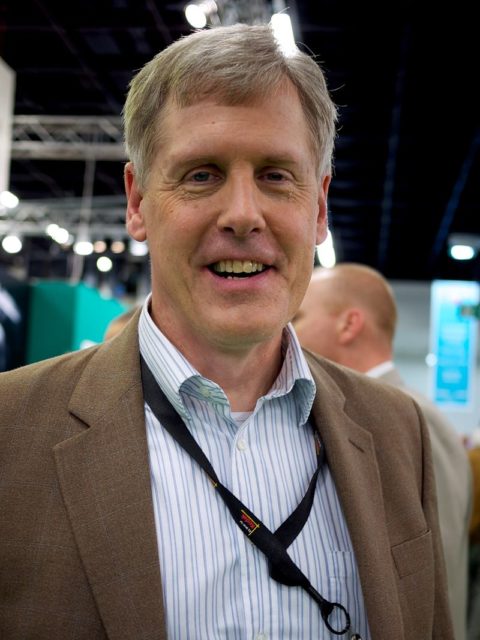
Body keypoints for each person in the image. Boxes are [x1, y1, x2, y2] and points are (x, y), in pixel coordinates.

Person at [0, 24, 453, 640]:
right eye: (201, 175)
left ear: (318, 209)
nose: (243, 214)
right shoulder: (13, 432)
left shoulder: (399, 433)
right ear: (137, 202)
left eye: (275, 175)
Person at [294, 262, 472, 640]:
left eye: (299, 316)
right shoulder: (387, 415)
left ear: (349, 324)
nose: (288, 331)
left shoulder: (406, 418)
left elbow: (427, 572)